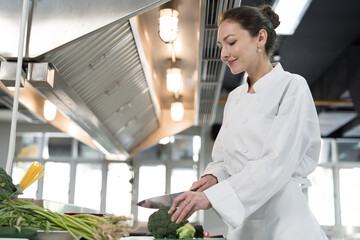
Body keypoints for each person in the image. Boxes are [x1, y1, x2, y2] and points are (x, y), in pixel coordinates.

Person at [168, 5, 329, 240]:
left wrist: (212, 197)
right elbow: (223, 158)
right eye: (221, 46)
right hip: (243, 226)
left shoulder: (292, 87)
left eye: (231, 42)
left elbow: (276, 162)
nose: (224, 54)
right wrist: (212, 178)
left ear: (260, 38)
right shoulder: (235, 98)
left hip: (285, 222)